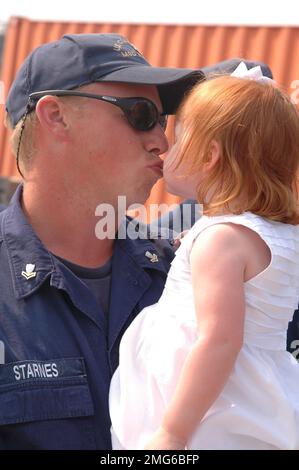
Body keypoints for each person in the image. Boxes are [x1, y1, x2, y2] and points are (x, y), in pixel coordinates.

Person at [0, 29, 274, 449]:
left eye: (163, 122)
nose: (161, 142)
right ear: (55, 116)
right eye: (141, 114)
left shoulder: (190, 273)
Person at [109, 63, 299, 450]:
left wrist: (173, 433)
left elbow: (219, 340)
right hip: (257, 395)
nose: (167, 148)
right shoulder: (276, 233)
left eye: (178, 140)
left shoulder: (221, 240)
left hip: (205, 414)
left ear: (210, 156)